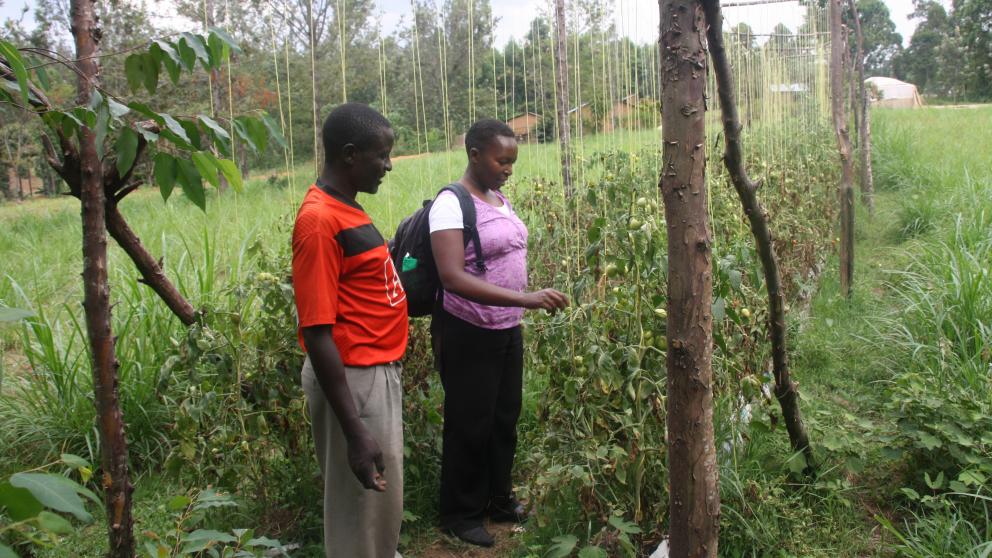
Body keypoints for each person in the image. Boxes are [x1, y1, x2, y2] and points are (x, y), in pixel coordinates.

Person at [429, 118, 569, 547]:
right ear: (474, 155)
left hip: (505, 328)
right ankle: (460, 513)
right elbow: (452, 276)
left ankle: (499, 500)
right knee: (470, 422)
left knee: (504, 418)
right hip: (468, 330)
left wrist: (520, 303)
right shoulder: (451, 204)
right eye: (501, 160)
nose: (508, 168)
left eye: (512, 161)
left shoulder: (497, 197)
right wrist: (526, 298)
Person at [292, 103, 408, 558]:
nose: (388, 165)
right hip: (352, 380)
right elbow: (317, 331)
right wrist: (355, 429)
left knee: (378, 506)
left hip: (374, 373)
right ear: (348, 155)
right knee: (357, 509)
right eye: (381, 155)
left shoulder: (347, 208)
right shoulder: (319, 222)